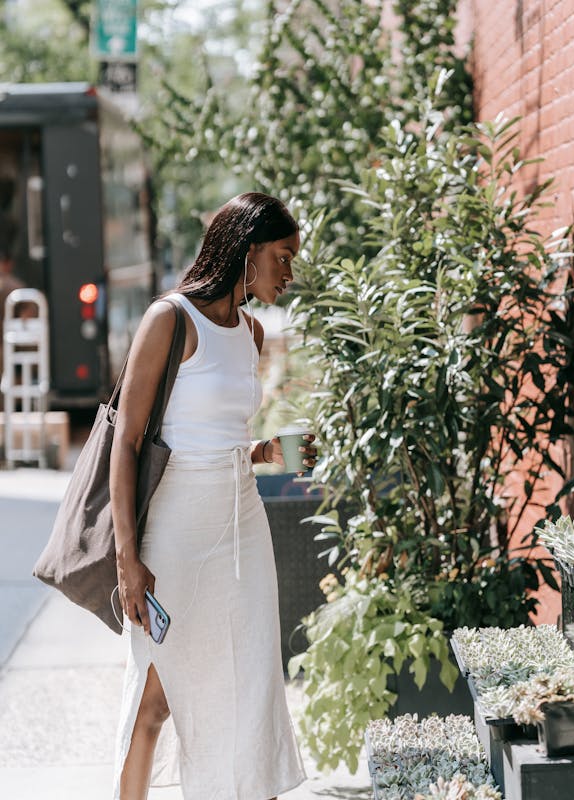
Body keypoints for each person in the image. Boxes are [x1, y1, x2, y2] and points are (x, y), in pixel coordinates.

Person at [110, 192, 317, 800]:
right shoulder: (170, 320)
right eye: (282, 256)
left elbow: (219, 440)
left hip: (243, 528)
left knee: (252, 687)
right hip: (175, 532)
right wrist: (127, 560)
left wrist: (265, 451)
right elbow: (127, 443)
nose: (289, 271)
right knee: (157, 695)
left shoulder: (251, 333)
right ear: (248, 253)